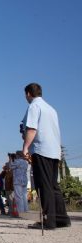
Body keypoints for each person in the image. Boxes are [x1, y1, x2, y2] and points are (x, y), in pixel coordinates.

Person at [21, 83, 70, 229]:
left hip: (41, 150)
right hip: (54, 151)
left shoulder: (34, 107)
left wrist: (25, 148)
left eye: (25, 95)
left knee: (43, 185)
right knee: (53, 185)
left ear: (29, 93)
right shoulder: (51, 109)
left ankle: (48, 221)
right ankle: (61, 218)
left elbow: (32, 129)